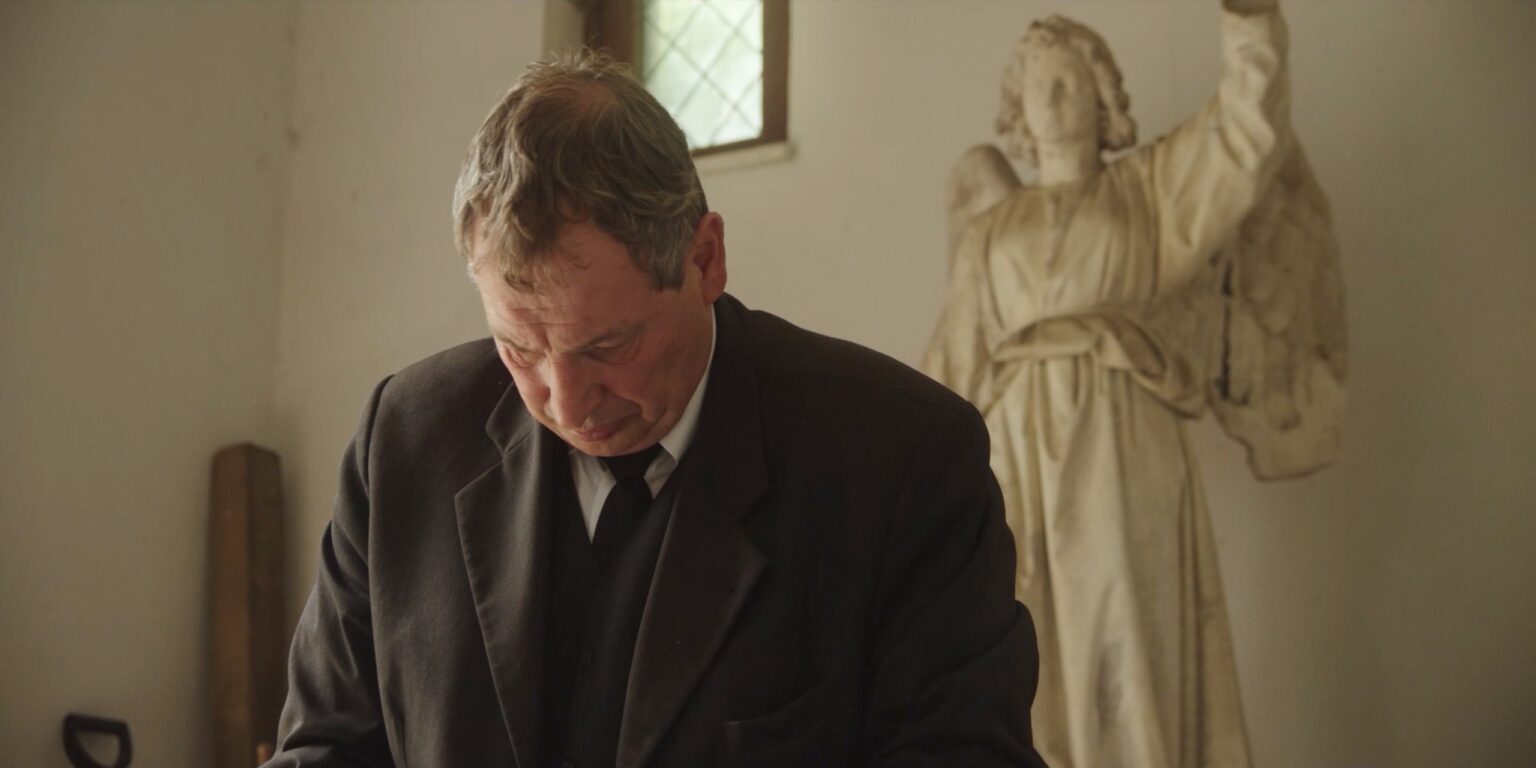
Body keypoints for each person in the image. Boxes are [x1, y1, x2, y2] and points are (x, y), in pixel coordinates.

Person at [264, 51, 1047, 767]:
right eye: (521, 349)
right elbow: (326, 749)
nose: (566, 402)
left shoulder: (902, 461)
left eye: (608, 345)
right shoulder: (405, 441)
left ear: (705, 258)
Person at [923, 1, 1324, 766]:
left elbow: (1247, 135)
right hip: (1016, 452)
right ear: (1016, 106)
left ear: (1102, 93)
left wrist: (1249, 23)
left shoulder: (1148, 191)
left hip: (1119, 437)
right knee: (1026, 644)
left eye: (1069, 81)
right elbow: (954, 364)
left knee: (1130, 630)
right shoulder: (992, 230)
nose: (1052, 99)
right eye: (1037, 85)